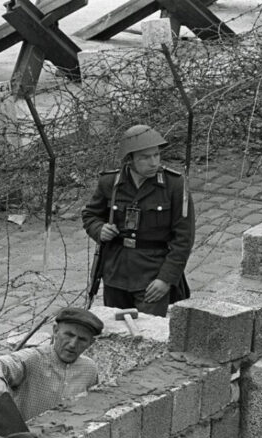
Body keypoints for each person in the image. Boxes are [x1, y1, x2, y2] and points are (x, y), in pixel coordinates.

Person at [82, 124, 195, 317]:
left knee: (148, 332)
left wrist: (166, 279)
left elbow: (184, 238)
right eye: (145, 157)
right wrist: (99, 229)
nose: (153, 163)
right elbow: (90, 215)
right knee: (116, 329)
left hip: (152, 274)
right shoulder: (111, 183)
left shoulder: (174, 185)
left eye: (156, 155)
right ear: (130, 160)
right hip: (115, 272)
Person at [0, 307, 103, 421]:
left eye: (82, 339)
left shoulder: (89, 369)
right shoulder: (33, 359)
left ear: (90, 343)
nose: (73, 344)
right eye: (68, 335)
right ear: (55, 331)